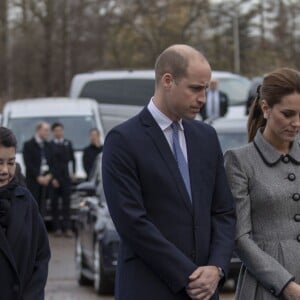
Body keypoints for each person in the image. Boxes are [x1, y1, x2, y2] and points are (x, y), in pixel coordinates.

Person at [102, 44, 236, 300]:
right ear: (167, 81)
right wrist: (190, 275)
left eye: (205, 89)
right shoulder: (123, 140)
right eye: (195, 88)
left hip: (205, 292)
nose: (203, 99)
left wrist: (216, 269)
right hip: (148, 289)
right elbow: (132, 223)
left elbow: (223, 212)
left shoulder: (206, 137)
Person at [224, 67, 300, 299]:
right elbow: (239, 237)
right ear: (265, 108)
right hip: (266, 288)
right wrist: (286, 285)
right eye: (288, 114)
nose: (296, 123)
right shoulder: (239, 161)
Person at [0, 126, 50, 299]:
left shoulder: (26, 201)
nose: (5, 170)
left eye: (11, 163)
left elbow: (41, 255)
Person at [49, 122, 76, 237]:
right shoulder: (49, 145)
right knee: (55, 204)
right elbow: (48, 163)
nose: (59, 132)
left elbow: (72, 160)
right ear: (53, 132)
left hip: (66, 179)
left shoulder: (68, 143)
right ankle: (57, 228)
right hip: (54, 179)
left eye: (60, 130)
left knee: (66, 204)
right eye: (56, 130)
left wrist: (73, 172)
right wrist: (52, 178)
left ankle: (67, 228)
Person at [23, 122, 52, 215]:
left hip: (46, 179)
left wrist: (49, 175)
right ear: (38, 130)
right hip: (34, 180)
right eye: (45, 130)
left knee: (43, 205)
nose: (48, 133)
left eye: (48, 130)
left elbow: (53, 162)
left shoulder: (48, 145)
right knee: (33, 204)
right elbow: (28, 163)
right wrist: (38, 176)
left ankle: (41, 226)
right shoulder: (28, 145)